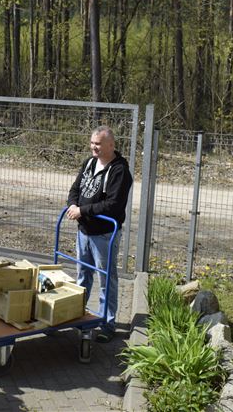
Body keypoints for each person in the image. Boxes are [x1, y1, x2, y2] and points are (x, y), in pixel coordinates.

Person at [66, 125, 132, 343]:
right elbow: (75, 189)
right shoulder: (89, 163)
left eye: (98, 144)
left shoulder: (119, 171)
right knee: (83, 275)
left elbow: (113, 205)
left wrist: (82, 210)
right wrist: (72, 205)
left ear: (111, 145)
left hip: (104, 234)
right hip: (84, 231)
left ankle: (107, 324)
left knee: (106, 279)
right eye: (92, 143)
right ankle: (78, 314)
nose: (94, 147)